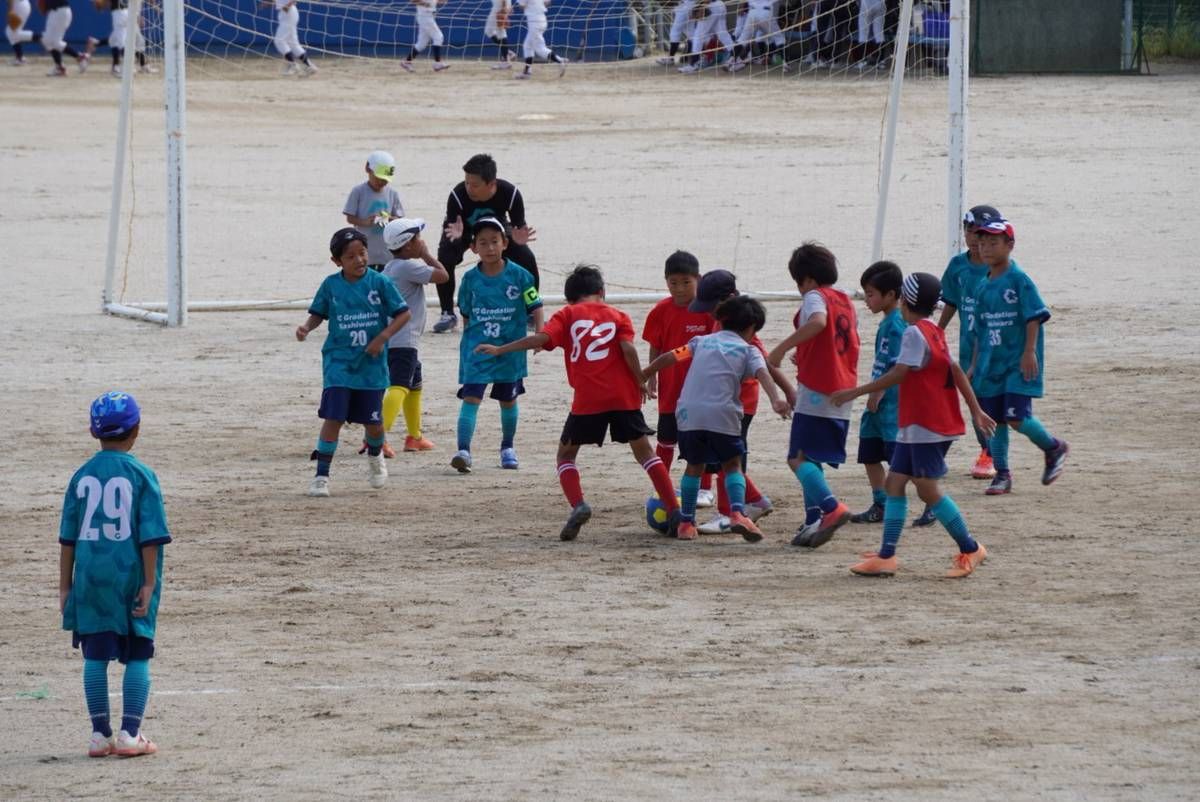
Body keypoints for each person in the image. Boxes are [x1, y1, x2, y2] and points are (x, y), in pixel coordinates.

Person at [476, 265, 682, 541]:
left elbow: (541, 338)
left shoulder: (568, 314)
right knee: (645, 453)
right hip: (623, 396)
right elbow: (628, 349)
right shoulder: (618, 315)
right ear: (602, 292)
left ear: (570, 298)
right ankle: (674, 509)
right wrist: (640, 380)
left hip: (588, 399)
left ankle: (579, 504)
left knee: (565, 456)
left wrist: (501, 349)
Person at [830, 273, 997, 578]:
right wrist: (976, 410)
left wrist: (855, 392)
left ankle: (971, 547)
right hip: (919, 425)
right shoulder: (934, 330)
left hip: (927, 425)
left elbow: (899, 373)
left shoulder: (913, 334)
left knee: (928, 490)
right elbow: (956, 370)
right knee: (894, 484)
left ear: (905, 300)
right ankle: (886, 555)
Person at [59, 391, 170, 757]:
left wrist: (64, 587)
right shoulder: (142, 475)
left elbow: (67, 539)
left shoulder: (80, 477)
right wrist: (149, 581)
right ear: (136, 430)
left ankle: (99, 734)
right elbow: (150, 537)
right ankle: (129, 734)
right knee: (138, 652)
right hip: (131, 574)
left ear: (93, 432)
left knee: (94, 654)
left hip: (90, 578)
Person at [645, 295, 792, 541]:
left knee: (694, 466)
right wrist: (776, 399)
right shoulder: (749, 350)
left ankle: (686, 524)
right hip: (723, 413)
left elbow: (670, 356)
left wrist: (645, 373)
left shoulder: (700, 342)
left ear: (721, 320)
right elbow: (763, 373)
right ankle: (737, 513)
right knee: (732, 464)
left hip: (688, 413)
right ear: (752, 328)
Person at [295, 228, 411, 497]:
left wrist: (382, 337)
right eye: (350, 256)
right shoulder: (330, 285)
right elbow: (318, 313)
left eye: (362, 253)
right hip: (338, 363)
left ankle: (375, 456)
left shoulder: (379, 282)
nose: (359, 260)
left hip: (371, 367)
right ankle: (321, 476)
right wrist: (306, 327)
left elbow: (403, 314)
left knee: (373, 424)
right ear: (337, 261)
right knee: (333, 417)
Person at [767, 241, 859, 548]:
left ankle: (831, 508)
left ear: (806, 279)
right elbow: (836, 340)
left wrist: (782, 348)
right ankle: (813, 520)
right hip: (843, 388)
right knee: (811, 457)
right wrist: (805, 352)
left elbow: (818, 322)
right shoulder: (845, 301)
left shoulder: (814, 297)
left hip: (819, 388)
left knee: (796, 458)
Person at [687, 269, 793, 534]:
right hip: (720, 401)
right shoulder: (724, 323)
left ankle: (728, 513)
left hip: (739, 403)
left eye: (713, 307)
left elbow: (765, 364)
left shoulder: (745, 330)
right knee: (726, 458)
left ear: (730, 299)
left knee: (729, 458)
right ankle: (755, 500)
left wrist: (787, 392)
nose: (710, 313)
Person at [972, 216, 1070, 495]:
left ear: (1010, 245)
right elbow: (980, 329)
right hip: (991, 365)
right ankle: (1002, 474)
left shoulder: (1019, 280)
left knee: (1016, 417)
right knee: (996, 421)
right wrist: (975, 365)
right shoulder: (982, 286)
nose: (986, 248)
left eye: (993, 243)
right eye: (982, 243)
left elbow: (1034, 316)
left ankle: (1053, 446)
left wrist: (1029, 351)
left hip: (1017, 363)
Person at [451, 216, 544, 473]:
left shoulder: (521, 276)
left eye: (495, 241)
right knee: (471, 397)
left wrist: (540, 334)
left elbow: (536, 306)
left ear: (505, 243)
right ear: (474, 247)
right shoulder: (470, 279)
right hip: (477, 350)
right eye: (483, 243)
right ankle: (463, 451)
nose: (490, 248)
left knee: (508, 400)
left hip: (510, 350)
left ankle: (507, 447)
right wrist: (470, 341)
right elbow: (466, 313)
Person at [433, 154, 538, 333]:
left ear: (491, 184)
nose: (469, 188)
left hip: (496, 227)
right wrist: (456, 239)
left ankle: (530, 310)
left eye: (475, 185)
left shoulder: (510, 193)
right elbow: (453, 225)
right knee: (445, 257)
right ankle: (447, 313)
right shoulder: (457, 195)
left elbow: (518, 226)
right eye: (467, 182)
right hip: (463, 229)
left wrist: (518, 238)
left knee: (526, 258)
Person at [374, 217, 449, 457]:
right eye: (417, 238)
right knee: (399, 387)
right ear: (408, 245)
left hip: (399, 340)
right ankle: (376, 437)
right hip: (404, 340)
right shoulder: (407, 267)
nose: (421, 241)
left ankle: (414, 436)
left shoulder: (389, 268)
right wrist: (426, 255)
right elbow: (443, 276)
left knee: (414, 386)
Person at [641, 251, 715, 477]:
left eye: (686, 282)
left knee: (701, 440)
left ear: (698, 279)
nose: (680, 288)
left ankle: (703, 489)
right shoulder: (660, 311)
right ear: (666, 281)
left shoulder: (708, 311)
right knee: (665, 439)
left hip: (702, 388)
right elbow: (655, 345)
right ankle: (661, 487)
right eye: (673, 283)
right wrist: (652, 376)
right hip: (671, 388)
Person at [848, 260, 906, 524]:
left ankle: (931, 502)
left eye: (870, 294)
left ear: (891, 294)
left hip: (891, 403)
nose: (866, 300)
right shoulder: (887, 322)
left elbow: (897, 365)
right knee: (869, 453)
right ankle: (880, 504)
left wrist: (878, 392)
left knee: (900, 459)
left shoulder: (897, 324)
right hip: (877, 404)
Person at [343, 151, 405, 273]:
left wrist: (390, 219)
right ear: (368, 169)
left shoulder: (392, 193)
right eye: (378, 178)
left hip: (387, 252)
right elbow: (350, 217)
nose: (381, 182)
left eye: (385, 180)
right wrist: (365, 222)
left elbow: (400, 219)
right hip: (366, 251)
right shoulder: (358, 191)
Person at [85, 0, 156, 77]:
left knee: (132, 40)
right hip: (119, 13)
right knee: (122, 42)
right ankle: (127, 68)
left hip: (127, 12)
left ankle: (97, 44)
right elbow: (102, 3)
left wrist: (137, 16)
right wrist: (100, 4)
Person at [513, 0, 568, 79]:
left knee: (539, 49)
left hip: (534, 22)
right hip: (542, 19)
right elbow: (547, 2)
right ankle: (527, 71)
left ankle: (560, 60)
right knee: (527, 46)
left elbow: (522, 6)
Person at [677, 0, 734, 73]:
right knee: (722, 34)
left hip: (710, 6)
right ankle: (735, 56)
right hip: (720, 4)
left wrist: (702, 7)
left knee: (698, 35)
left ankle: (694, 64)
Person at [264, 0, 317, 76]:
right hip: (286, 13)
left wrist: (288, 5)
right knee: (293, 44)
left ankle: (293, 65)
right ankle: (310, 66)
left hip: (289, 12)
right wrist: (269, 2)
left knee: (279, 41)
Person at [42, 0, 90, 77]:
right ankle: (60, 67)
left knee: (51, 40)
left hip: (59, 11)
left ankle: (80, 57)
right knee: (50, 41)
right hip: (57, 12)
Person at [401, 0, 450, 72]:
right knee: (438, 37)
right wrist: (424, 4)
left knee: (421, 44)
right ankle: (437, 63)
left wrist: (440, 1)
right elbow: (413, 1)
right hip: (425, 16)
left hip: (429, 16)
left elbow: (434, 1)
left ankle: (407, 62)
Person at [655, 0, 696, 65]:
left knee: (675, 32)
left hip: (684, 6)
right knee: (690, 32)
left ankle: (670, 58)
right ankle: (691, 55)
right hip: (687, 5)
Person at [6, 0, 43, 65]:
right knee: (11, 32)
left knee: (11, 32)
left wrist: (11, 10)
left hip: (19, 5)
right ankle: (20, 58)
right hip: (21, 5)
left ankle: (42, 37)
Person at [484, 0, 518, 69]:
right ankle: (508, 53)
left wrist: (504, 7)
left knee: (499, 32)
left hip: (499, 7)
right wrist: (508, 5)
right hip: (500, 5)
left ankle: (506, 62)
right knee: (491, 31)